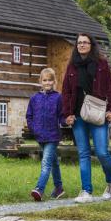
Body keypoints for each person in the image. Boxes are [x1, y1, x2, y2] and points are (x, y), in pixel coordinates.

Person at [62, 33, 111, 203]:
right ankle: (86, 191)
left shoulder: (101, 64)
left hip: (98, 114)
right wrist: (67, 114)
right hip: (78, 116)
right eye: (79, 43)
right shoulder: (72, 66)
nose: (82, 45)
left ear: (91, 45)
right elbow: (66, 92)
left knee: (102, 152)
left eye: (85, 42)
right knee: (84, 153)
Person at [27, 68, 65, 201]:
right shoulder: (34, 98)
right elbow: (29, 116)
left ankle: (39, 189)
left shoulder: (58, 97)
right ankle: (59, 187)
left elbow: (61, 116)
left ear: (54, 81)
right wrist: (33, 129)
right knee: (53, 162)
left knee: (46, 163)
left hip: (53, 135)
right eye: (45, 80)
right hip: (40, 136)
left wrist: (66, 121)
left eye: (50, 80)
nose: (47, 82)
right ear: (40, 81)